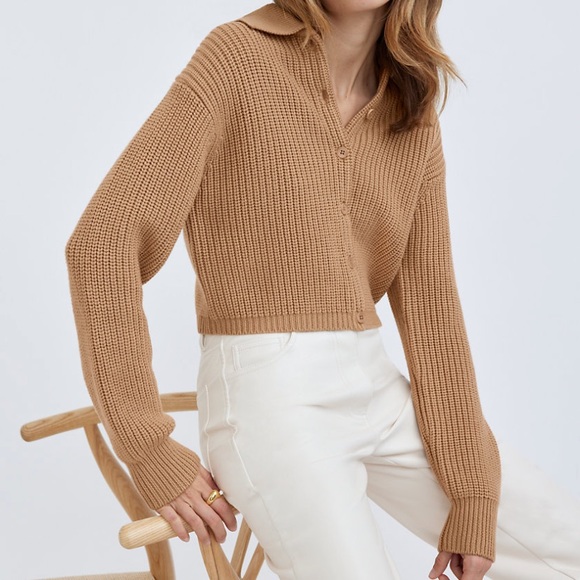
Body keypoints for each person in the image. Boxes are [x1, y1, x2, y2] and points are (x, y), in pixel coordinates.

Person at [64, 1, 580, 579]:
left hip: (376, 384)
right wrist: (148, 446)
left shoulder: (410, 105)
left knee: (568, 549)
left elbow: (433, 313)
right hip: (270, 398)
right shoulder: (235, 59)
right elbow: (101, 244)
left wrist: (472, 492)